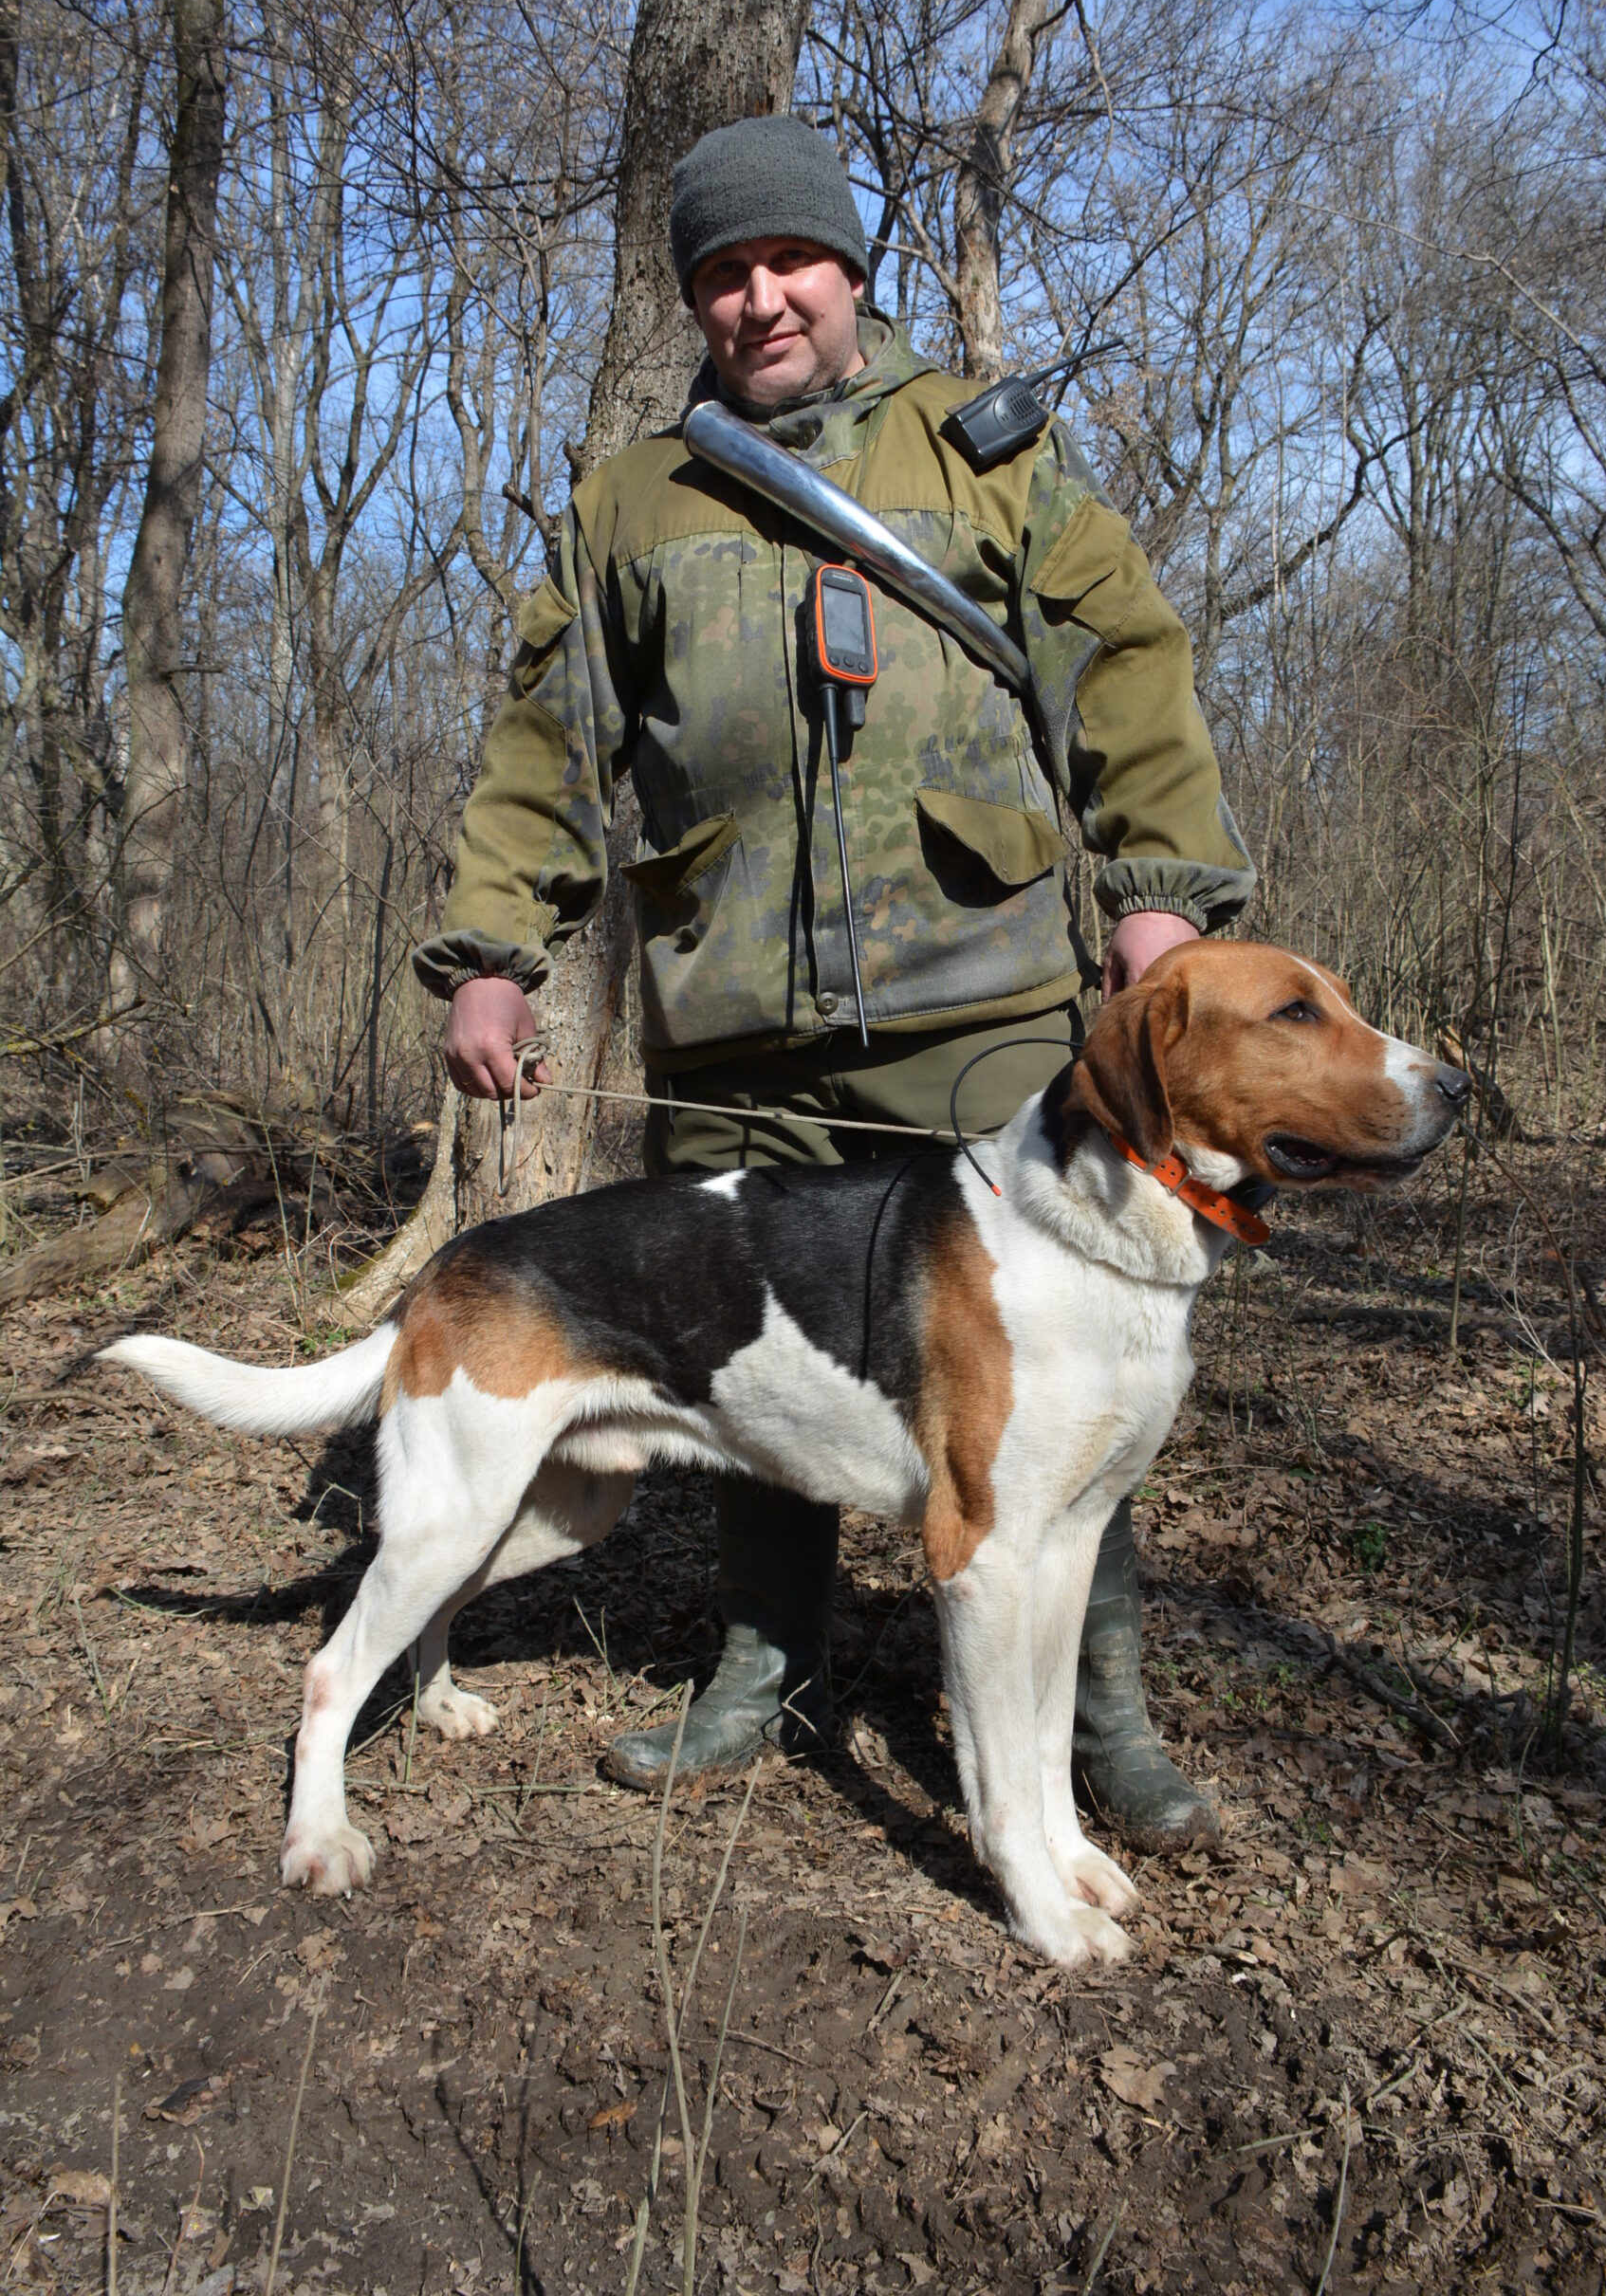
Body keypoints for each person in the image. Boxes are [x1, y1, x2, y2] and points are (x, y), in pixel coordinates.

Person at [413, 114, 1254, 1853]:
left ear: (850, 269)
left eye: (789, 260)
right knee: (744, 1361)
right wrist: (497, 952)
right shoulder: (636, 499)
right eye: (722, 273)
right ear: (695, 303)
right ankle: (762, 1664)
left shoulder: (986, 457)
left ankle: (1104, 1719)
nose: (760, 297)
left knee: (1068, 1375)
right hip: (738, 1023)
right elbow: (548, 743)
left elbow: (1129, 673)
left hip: (988, 1006)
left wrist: (1164, 900)